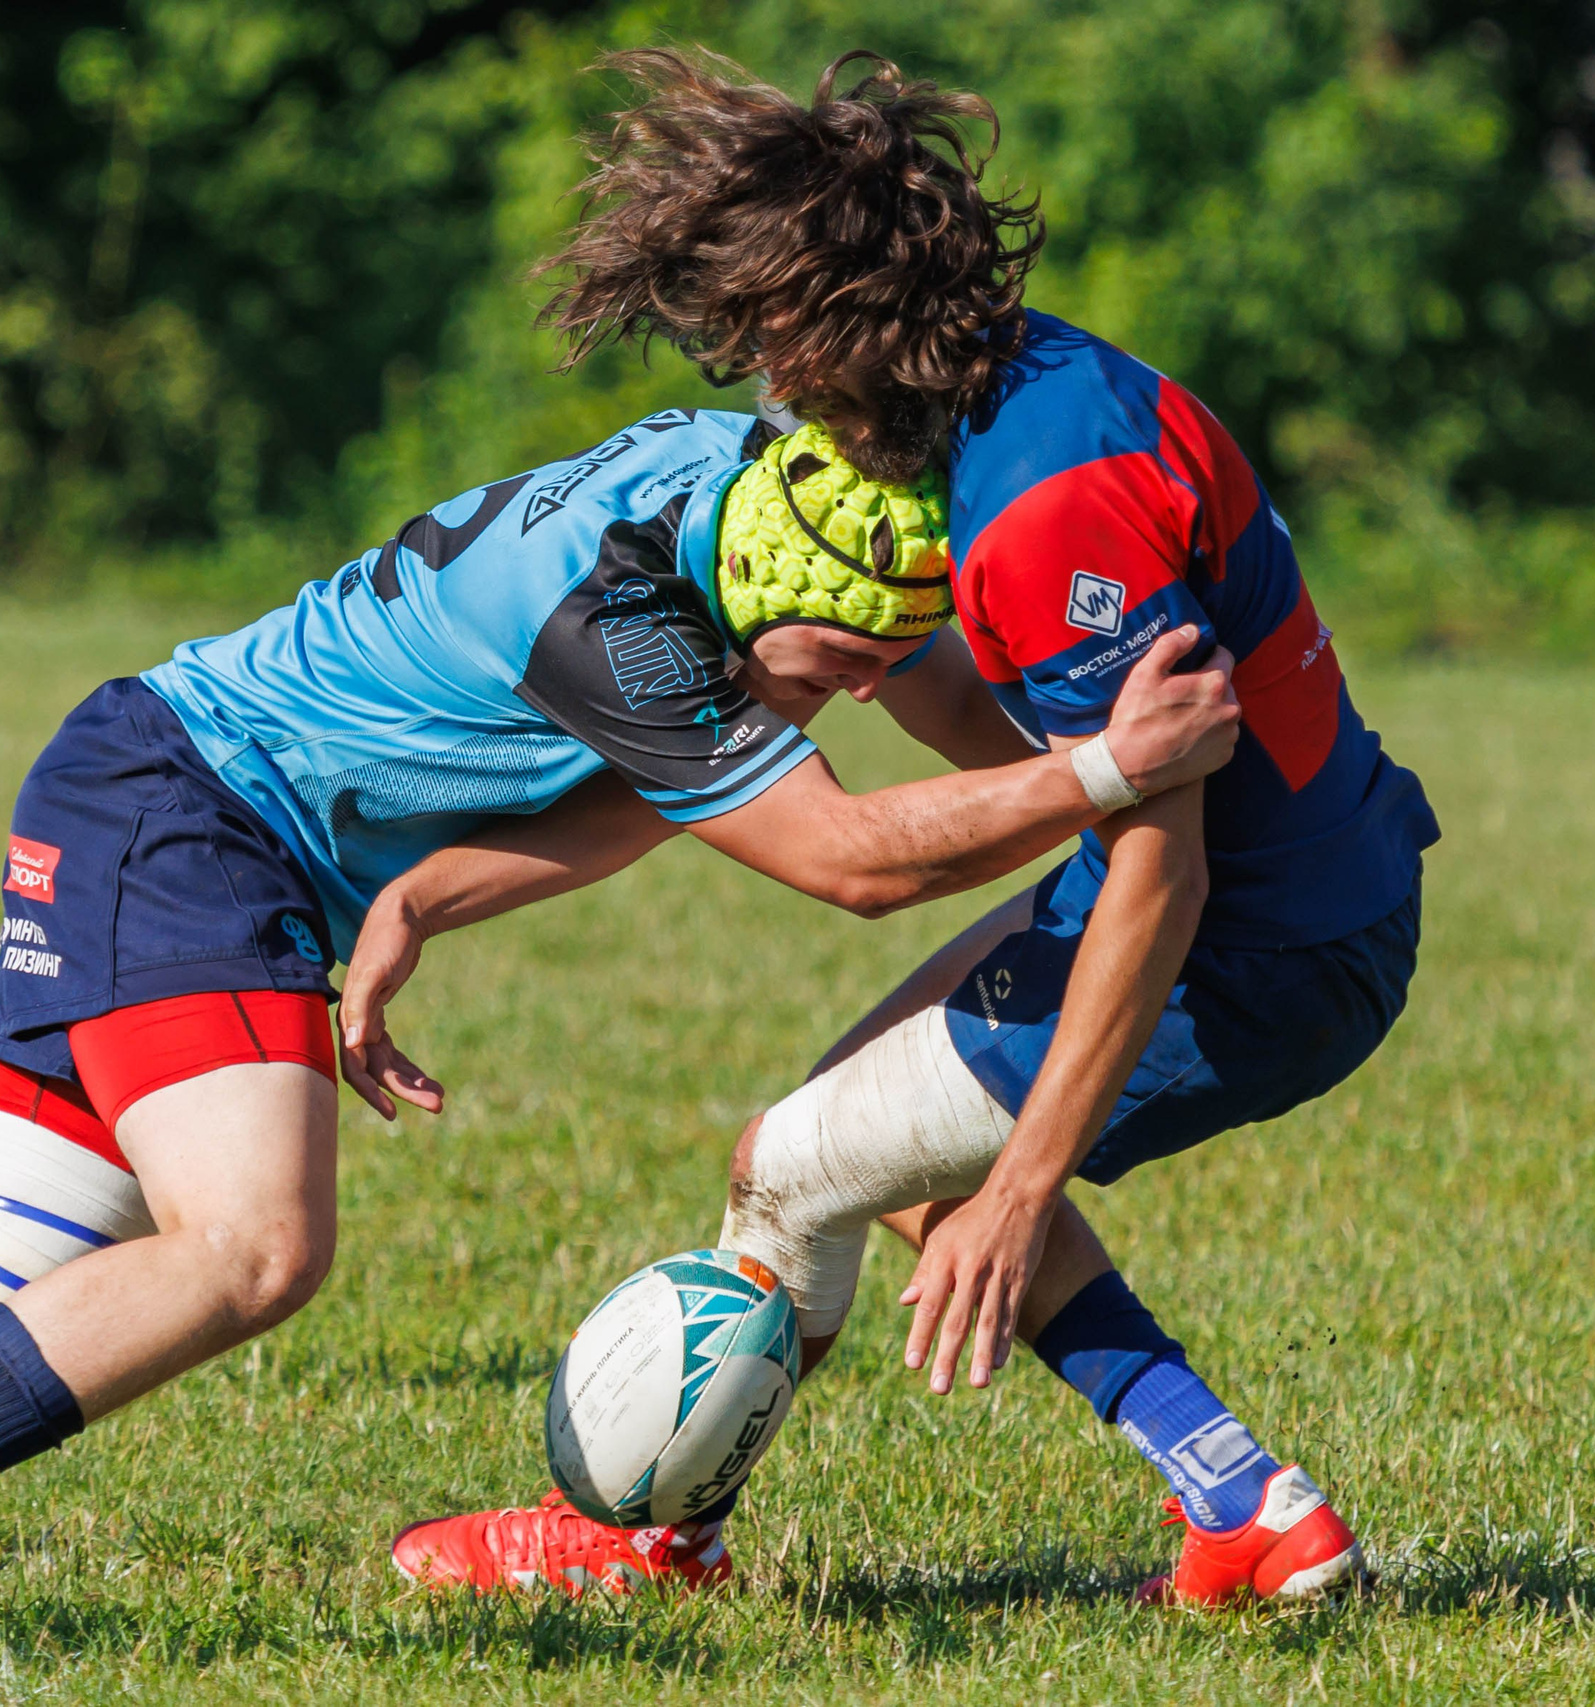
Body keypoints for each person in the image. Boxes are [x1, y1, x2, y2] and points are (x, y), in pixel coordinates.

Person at [0, 216, 1244, 1594]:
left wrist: (427, 900)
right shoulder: (633, 625)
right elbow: (846, 859)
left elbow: (703, 785)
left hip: (163, 800)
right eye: (839, 670)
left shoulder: (754, 499)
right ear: (762, 610)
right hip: (191, 822)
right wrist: (1106, 775)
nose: (855, 692)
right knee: (250, 1244)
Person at [373, 50, 1437, 1606]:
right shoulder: (1031, 390)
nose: (772, 386)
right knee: (849, 1121)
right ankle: (1246, 1509)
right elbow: (1021, 760)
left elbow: (1164, 863)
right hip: (1305, 891)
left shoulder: (1046, 509)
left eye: (772, 341)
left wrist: (1020, 1191)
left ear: (843, 317)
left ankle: (646, 1545)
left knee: (797, 1167)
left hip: (1258, 942)